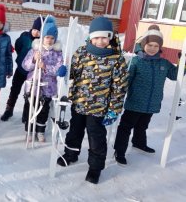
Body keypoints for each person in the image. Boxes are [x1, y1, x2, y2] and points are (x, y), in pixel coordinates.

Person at [57, 16, 128, 184]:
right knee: (74, 132)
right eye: (96, 37)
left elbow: (119, 87)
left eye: (104, 37)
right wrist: (64, 71)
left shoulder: (116, 59)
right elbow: (72, 73)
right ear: (90, 37)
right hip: (79, 104)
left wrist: (114, 109)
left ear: (110, 37)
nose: (100, 41)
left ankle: (95, 168)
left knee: (96, 138)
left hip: (99, 108)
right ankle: (71, 154)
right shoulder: (81, 53)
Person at [113, 25, 179, 165]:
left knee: (142, 126)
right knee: (125, 127)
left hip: (152, 104)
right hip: (135, 103)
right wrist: (118, 95)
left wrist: (182, 63)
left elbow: (175, 75)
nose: (152, 48)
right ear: (143, 44)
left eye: (156, 45)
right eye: (149, 45)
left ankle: (138, 143)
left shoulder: (164, 63)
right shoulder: (136, 62)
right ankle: (119, 151)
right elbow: (126, 82)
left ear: (159, 47)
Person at [22, 16, 63, 142]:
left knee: (43, 111)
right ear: (42, 37)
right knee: (31, 109)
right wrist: (34, 59)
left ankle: (40, 131)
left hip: (48, 88)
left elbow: (58, 69)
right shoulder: (34, 49)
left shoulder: (57, 53)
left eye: (52, 38)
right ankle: (29, 130)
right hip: (33, 86)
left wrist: (45, 67)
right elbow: (25, 65)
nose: (49, 40)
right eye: (47, 37)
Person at [0, 16, 42, 121]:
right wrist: (21, 58)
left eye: (39, 31)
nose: (36, 32)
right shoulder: (25, 37)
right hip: (21, 69)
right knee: (14, 89)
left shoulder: (41, 42)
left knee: (28, 93)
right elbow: (18, 46)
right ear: (32, 28)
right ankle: (9, 110)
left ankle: (25, 114)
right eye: (35, 29)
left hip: (32, 72)